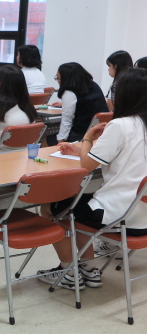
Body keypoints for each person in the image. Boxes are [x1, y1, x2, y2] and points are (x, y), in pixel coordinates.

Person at [38, 68, 147, 290]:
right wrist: (82, 150)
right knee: (79, 203)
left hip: (118, 216)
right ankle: (89, 269)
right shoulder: (140, 125)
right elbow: (124, 157)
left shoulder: (121, 125)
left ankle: (68, 271)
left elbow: (87, 167)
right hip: (141, 216)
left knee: (52, 207)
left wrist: (87, 138)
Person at [48, 62, 108, 144]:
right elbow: (86, 103)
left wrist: (61, 141)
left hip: (81, 135)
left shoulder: (69, 92)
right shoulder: (93, 85)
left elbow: (67, 120)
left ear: (66, 79)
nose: (58, 81)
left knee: (46, 140)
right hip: (100, 133)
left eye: (58, 78)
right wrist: (65, 104)